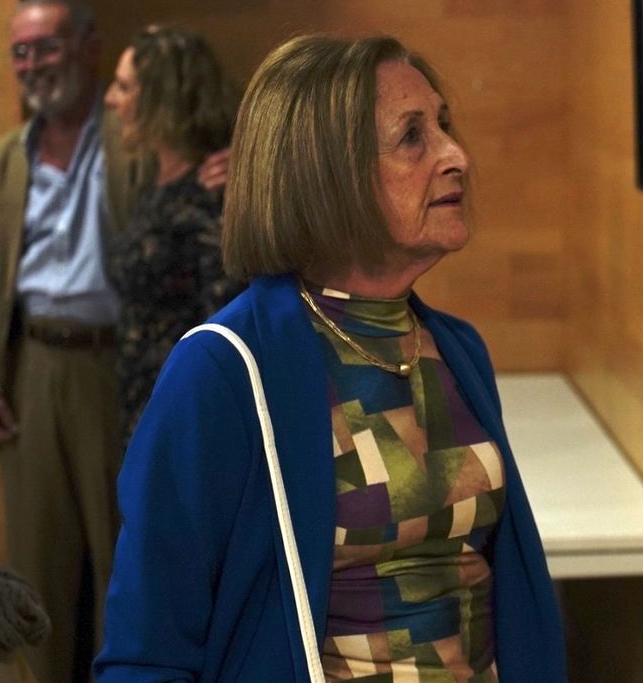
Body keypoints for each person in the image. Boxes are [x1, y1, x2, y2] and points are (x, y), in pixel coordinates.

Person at [97, 35, 566, 681]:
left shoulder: (458, 347)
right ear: (327, 173)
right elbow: (147, 649)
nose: (456, 156)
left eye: (445, 126)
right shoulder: (222, 372)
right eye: (412, 137)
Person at [0, 0, 225, 683]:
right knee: (36, 562)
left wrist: (233, 163)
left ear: (86, 47)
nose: (32, 63)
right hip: (35, 369)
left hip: (122, 368)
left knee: (124, 558)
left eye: (45, 45)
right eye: (19, 51)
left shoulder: (133, 137)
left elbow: (195, 159)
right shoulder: (4, 156)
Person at [102, 25, 244, 446]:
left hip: (188, 420)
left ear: (162, 99)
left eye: (124, 87)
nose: (111, 99)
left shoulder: (213, 191)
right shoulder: (155, 179)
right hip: (144, 407)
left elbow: (224, 332)